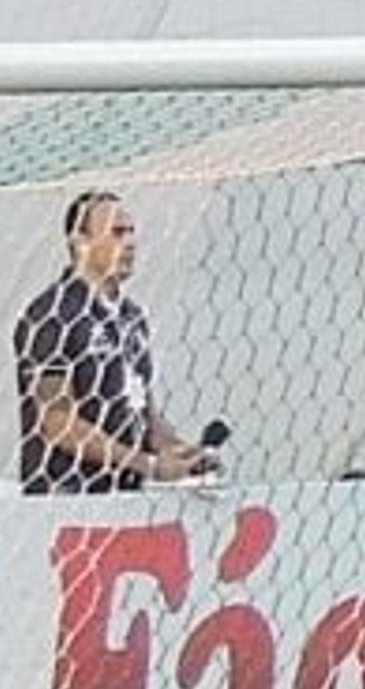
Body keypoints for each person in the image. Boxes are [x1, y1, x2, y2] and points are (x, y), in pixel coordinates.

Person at [14, 191, 215, 493]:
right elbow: (57, 421)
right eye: (117, 233)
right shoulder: (52, 315)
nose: (131, 243)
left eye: (132, 232)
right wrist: (146, 464)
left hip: (124, 491)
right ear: (79, 241)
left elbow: (140, 410)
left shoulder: (132, 317)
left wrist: (180, 451)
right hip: (68, 495)